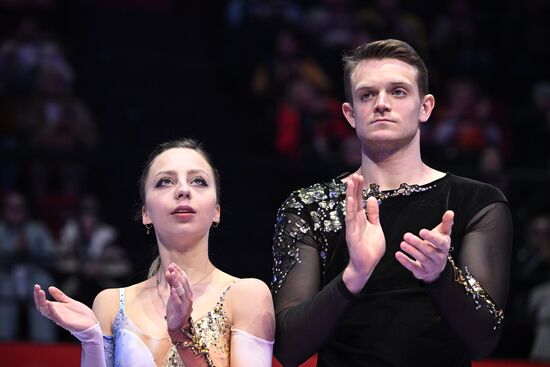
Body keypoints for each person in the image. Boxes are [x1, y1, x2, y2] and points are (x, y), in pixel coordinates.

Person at [271, 39, 512, 367]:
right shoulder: (307, 208)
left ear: (425, 107)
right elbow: (288, 349)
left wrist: (440, 275)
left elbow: (484, 340)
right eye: (367, 94)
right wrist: (353, 276)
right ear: (350, 113)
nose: (381, 104)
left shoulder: (477, 202)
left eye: (398, 91)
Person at [34, 138, 275, 366]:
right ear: (145, 213)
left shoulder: (247, 295)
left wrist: (183, 336)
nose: (183, 190)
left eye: (198, 181)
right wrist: (91, 341)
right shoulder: (110, 304)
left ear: (216, 211)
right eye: (165, 181)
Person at [0, 191, 57, 342]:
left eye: (19, 207)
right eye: (11, 207)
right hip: (7, 274)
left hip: (34, 273)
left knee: (43, 287)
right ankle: (4, 343)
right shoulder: (1, 229)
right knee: (3, 291)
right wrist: (13, 253)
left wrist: (29, 252)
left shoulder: (37, 228)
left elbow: (52, 255)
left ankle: (43, 344)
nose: (15, 211)